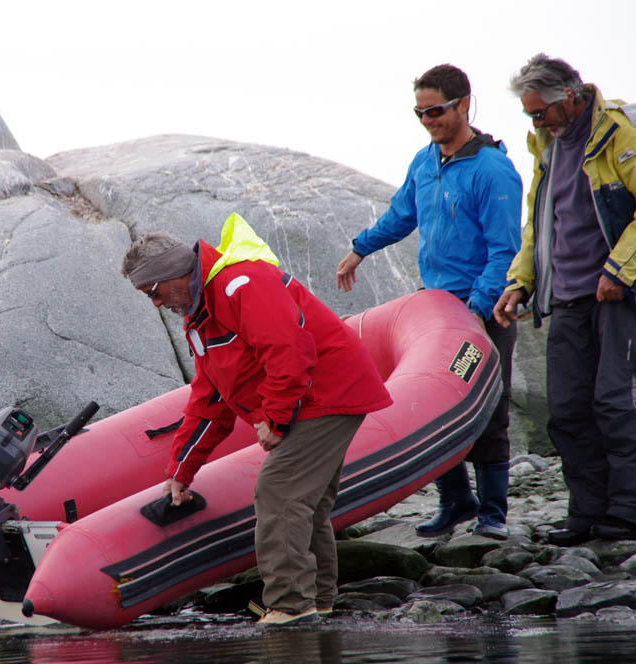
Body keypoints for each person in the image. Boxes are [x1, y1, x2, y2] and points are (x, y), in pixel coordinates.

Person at [122, 213, 392, 626]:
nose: (157, 304)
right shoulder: (201, 316)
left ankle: (290, 607)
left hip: (328, 392)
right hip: (309, 398)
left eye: (153, 292)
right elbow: (210, 398)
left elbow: (289, 349)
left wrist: (276, 420)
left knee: (278, 491)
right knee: (307, 501)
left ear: (174, 272)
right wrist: (180, 471)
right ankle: (318, 601)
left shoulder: (241, 283)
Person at [494, 54, 636, 545]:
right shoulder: (547, 146)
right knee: (567, 408)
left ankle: (631, 512)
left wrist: (618, 270)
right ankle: (586, 512)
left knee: (619, 400)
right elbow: (540, 225)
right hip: (567, 297)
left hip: (618, 294)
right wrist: (520, 281)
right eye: (530, 115)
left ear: (569, 96)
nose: (536, 122)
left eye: (540, 112)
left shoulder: (620, 129)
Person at [336, 64, 522, 540]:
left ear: (464, 104)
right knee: (431, 405)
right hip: (434, 310)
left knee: (489, 407)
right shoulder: (424, 161)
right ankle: (456, 500)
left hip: (483, 311)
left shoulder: (493, 169)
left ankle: (494, 513)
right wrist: (359, 249)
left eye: (435, 111)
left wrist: (476, 309)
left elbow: (504, 251)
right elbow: (402, 214)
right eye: (419, 113)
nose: (427, 121)